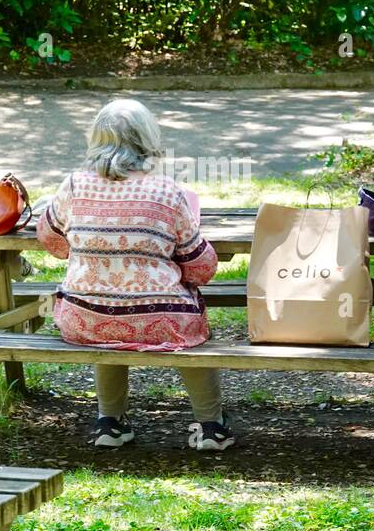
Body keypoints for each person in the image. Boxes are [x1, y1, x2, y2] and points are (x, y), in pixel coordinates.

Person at [36, 98, 234, 451]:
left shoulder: (74, 186)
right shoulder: (167, 192)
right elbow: (202, 267)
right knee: (186, 328)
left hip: (84, 319)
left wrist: (91, 254)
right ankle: (211, 428)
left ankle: (109, 423)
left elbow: (49, 237)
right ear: (148, 139)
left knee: (104, 313)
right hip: (160, 322)